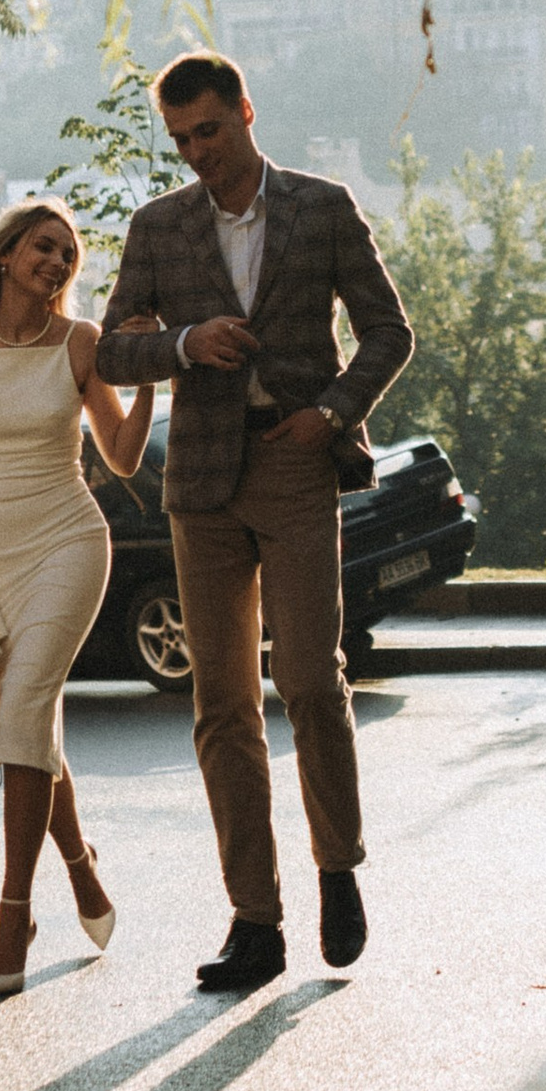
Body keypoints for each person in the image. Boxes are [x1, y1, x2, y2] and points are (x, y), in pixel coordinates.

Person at [96, 55, 414, 991]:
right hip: (199, 482)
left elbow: (389, 330)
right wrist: (186, 343)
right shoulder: (159, 226)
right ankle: (255, 920)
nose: (198, 154)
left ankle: (338, 870)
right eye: (182, 140)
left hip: (296, 461)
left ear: (245, 113)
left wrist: (336, 412)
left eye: (211, 133)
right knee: (221, 707)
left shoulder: (323, 207)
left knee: (314, 679)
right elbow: (113, 348)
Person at [0, 200, 154, 999]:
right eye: (44, 247)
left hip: (68, 539)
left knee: (24, 708)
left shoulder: (81, 343)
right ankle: (82, 870)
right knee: (30, 724)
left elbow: (124, 459)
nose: (58, 263)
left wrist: (150, 387)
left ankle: (12, 916)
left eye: (68, 255)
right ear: (4, 254)